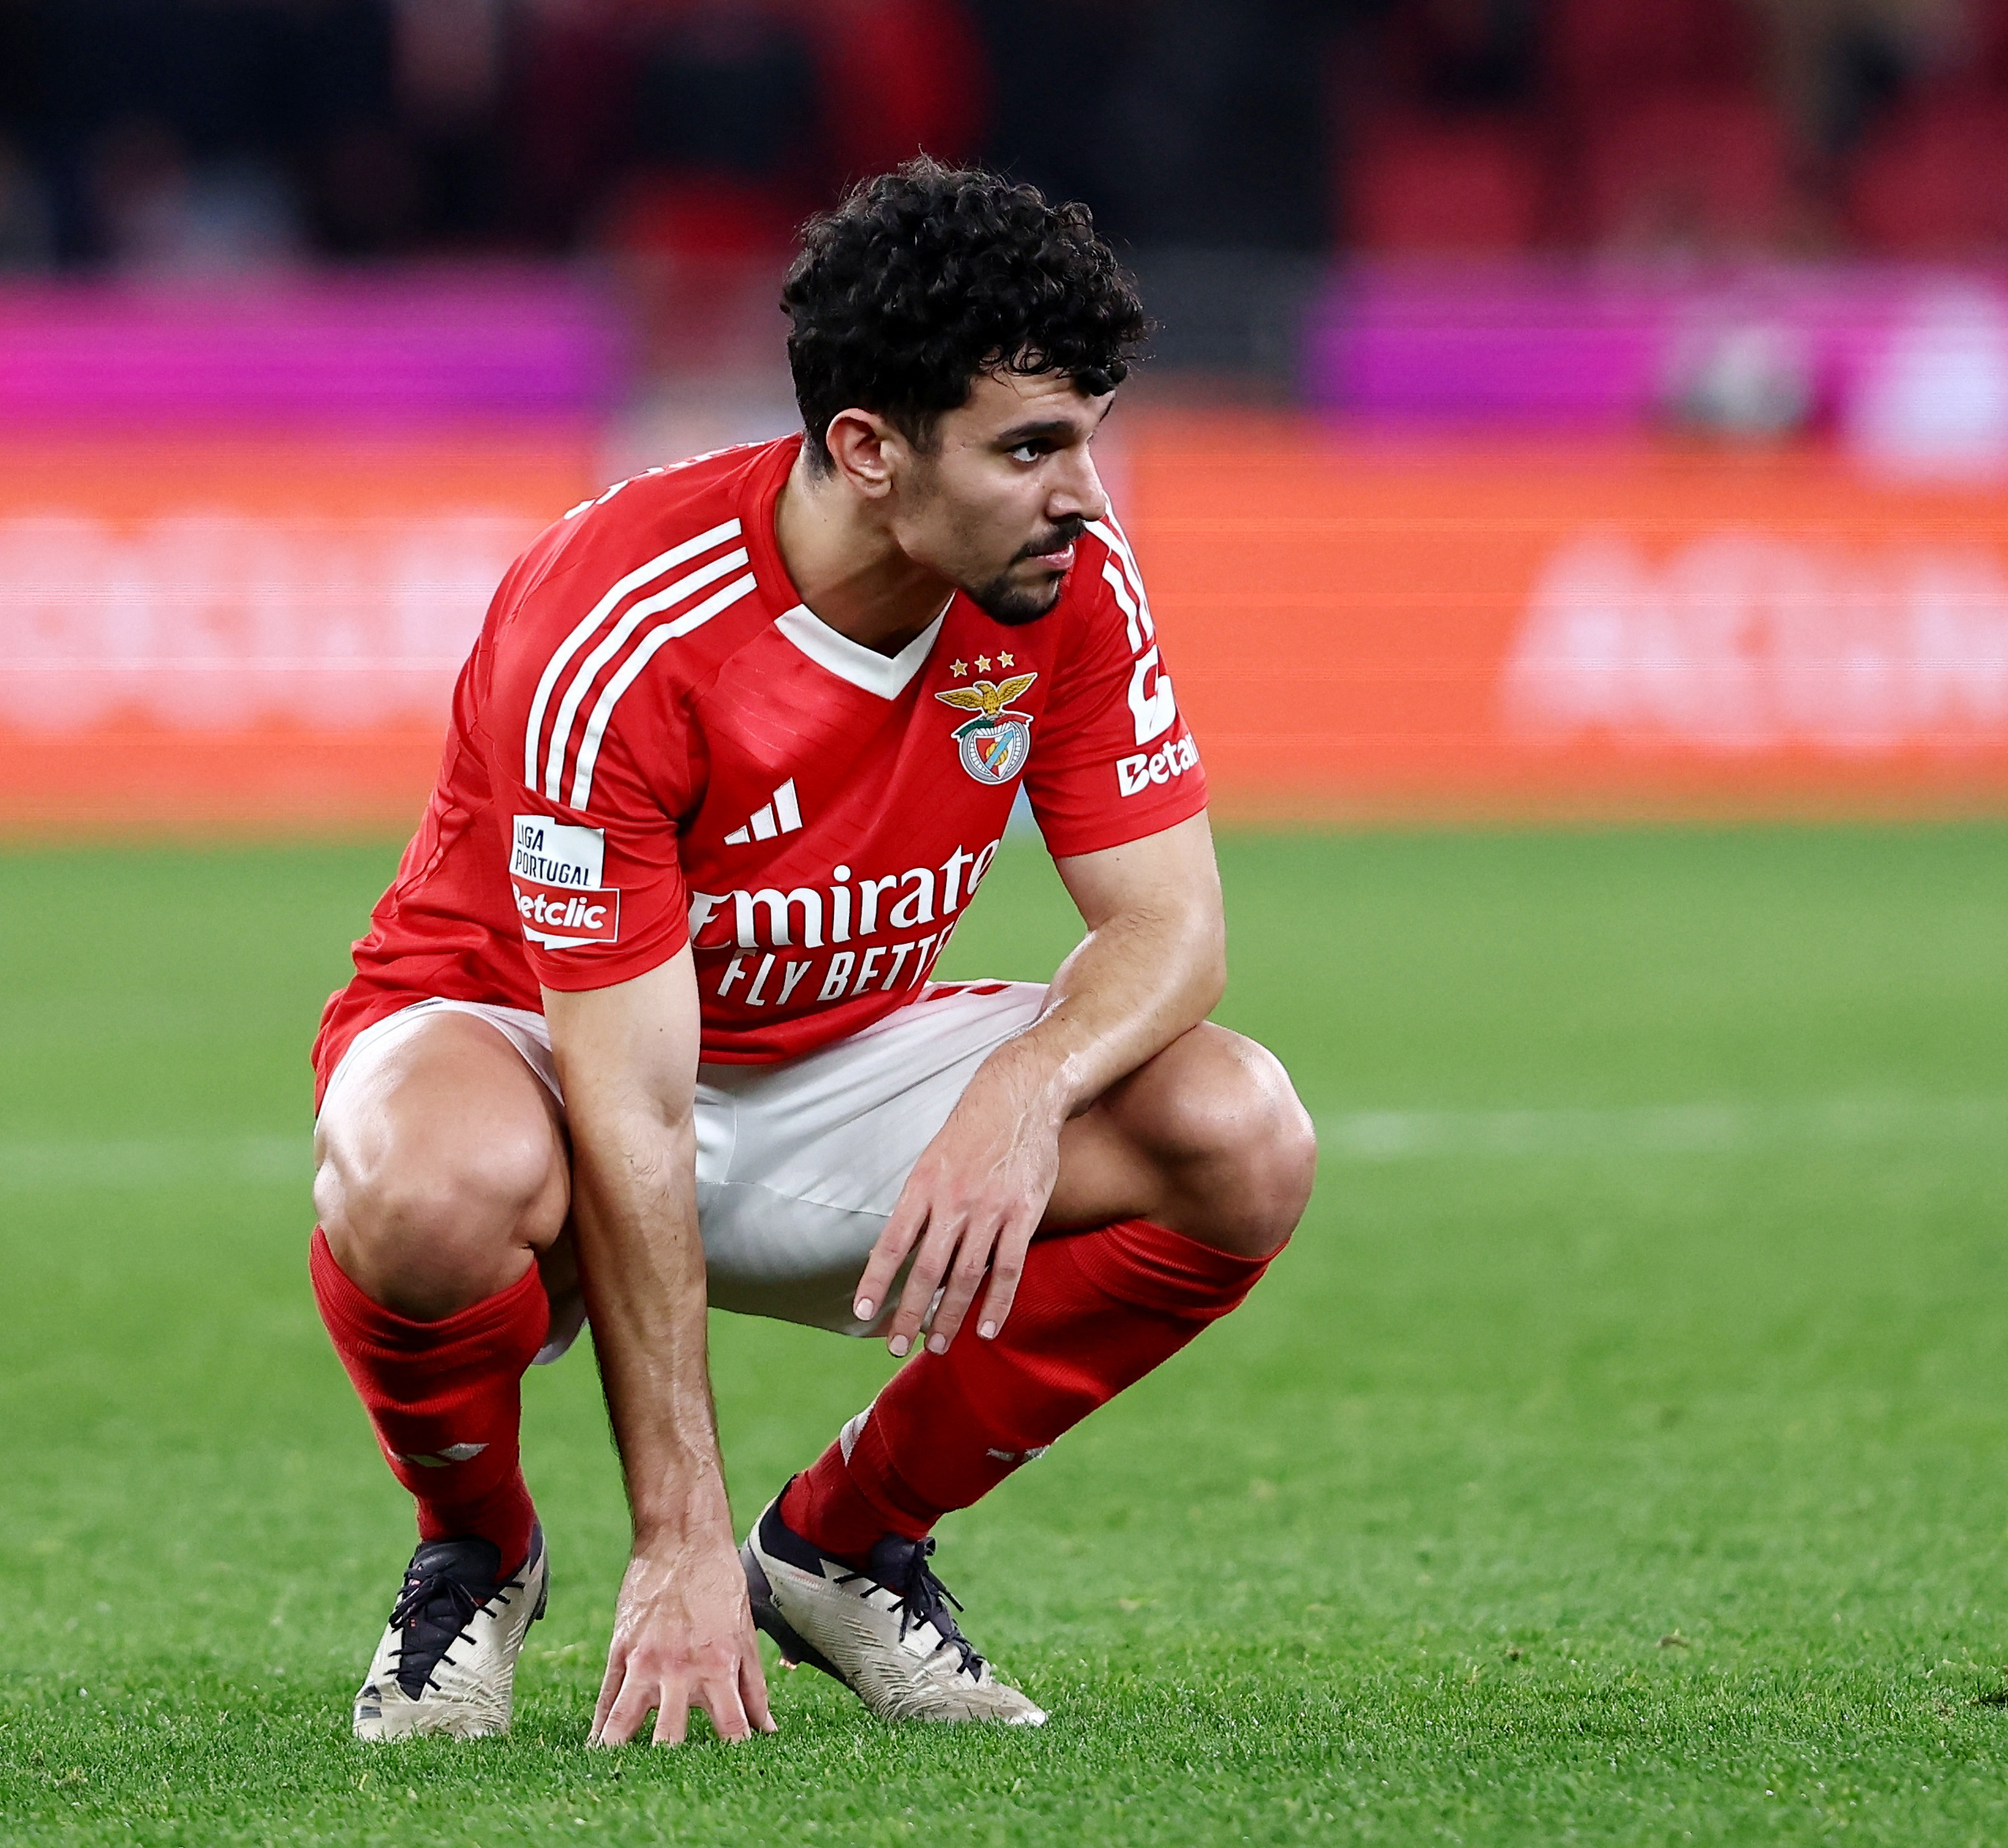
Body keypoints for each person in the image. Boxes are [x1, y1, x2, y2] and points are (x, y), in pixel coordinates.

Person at [306, 156, 1315, 1747]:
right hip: (540, 1053)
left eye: (1092, 439)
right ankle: (478, 1552)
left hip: (825, 1055)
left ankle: (845, 1544)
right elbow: (630, 1108)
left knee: (1238, 1132)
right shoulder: (621, 632)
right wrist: (674, 1534)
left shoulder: (1062, 583)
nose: (1089, 496)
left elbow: (1174, 928)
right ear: (865, 447)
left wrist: (1026, 1089)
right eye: (1034, 447)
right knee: (424, 1190)